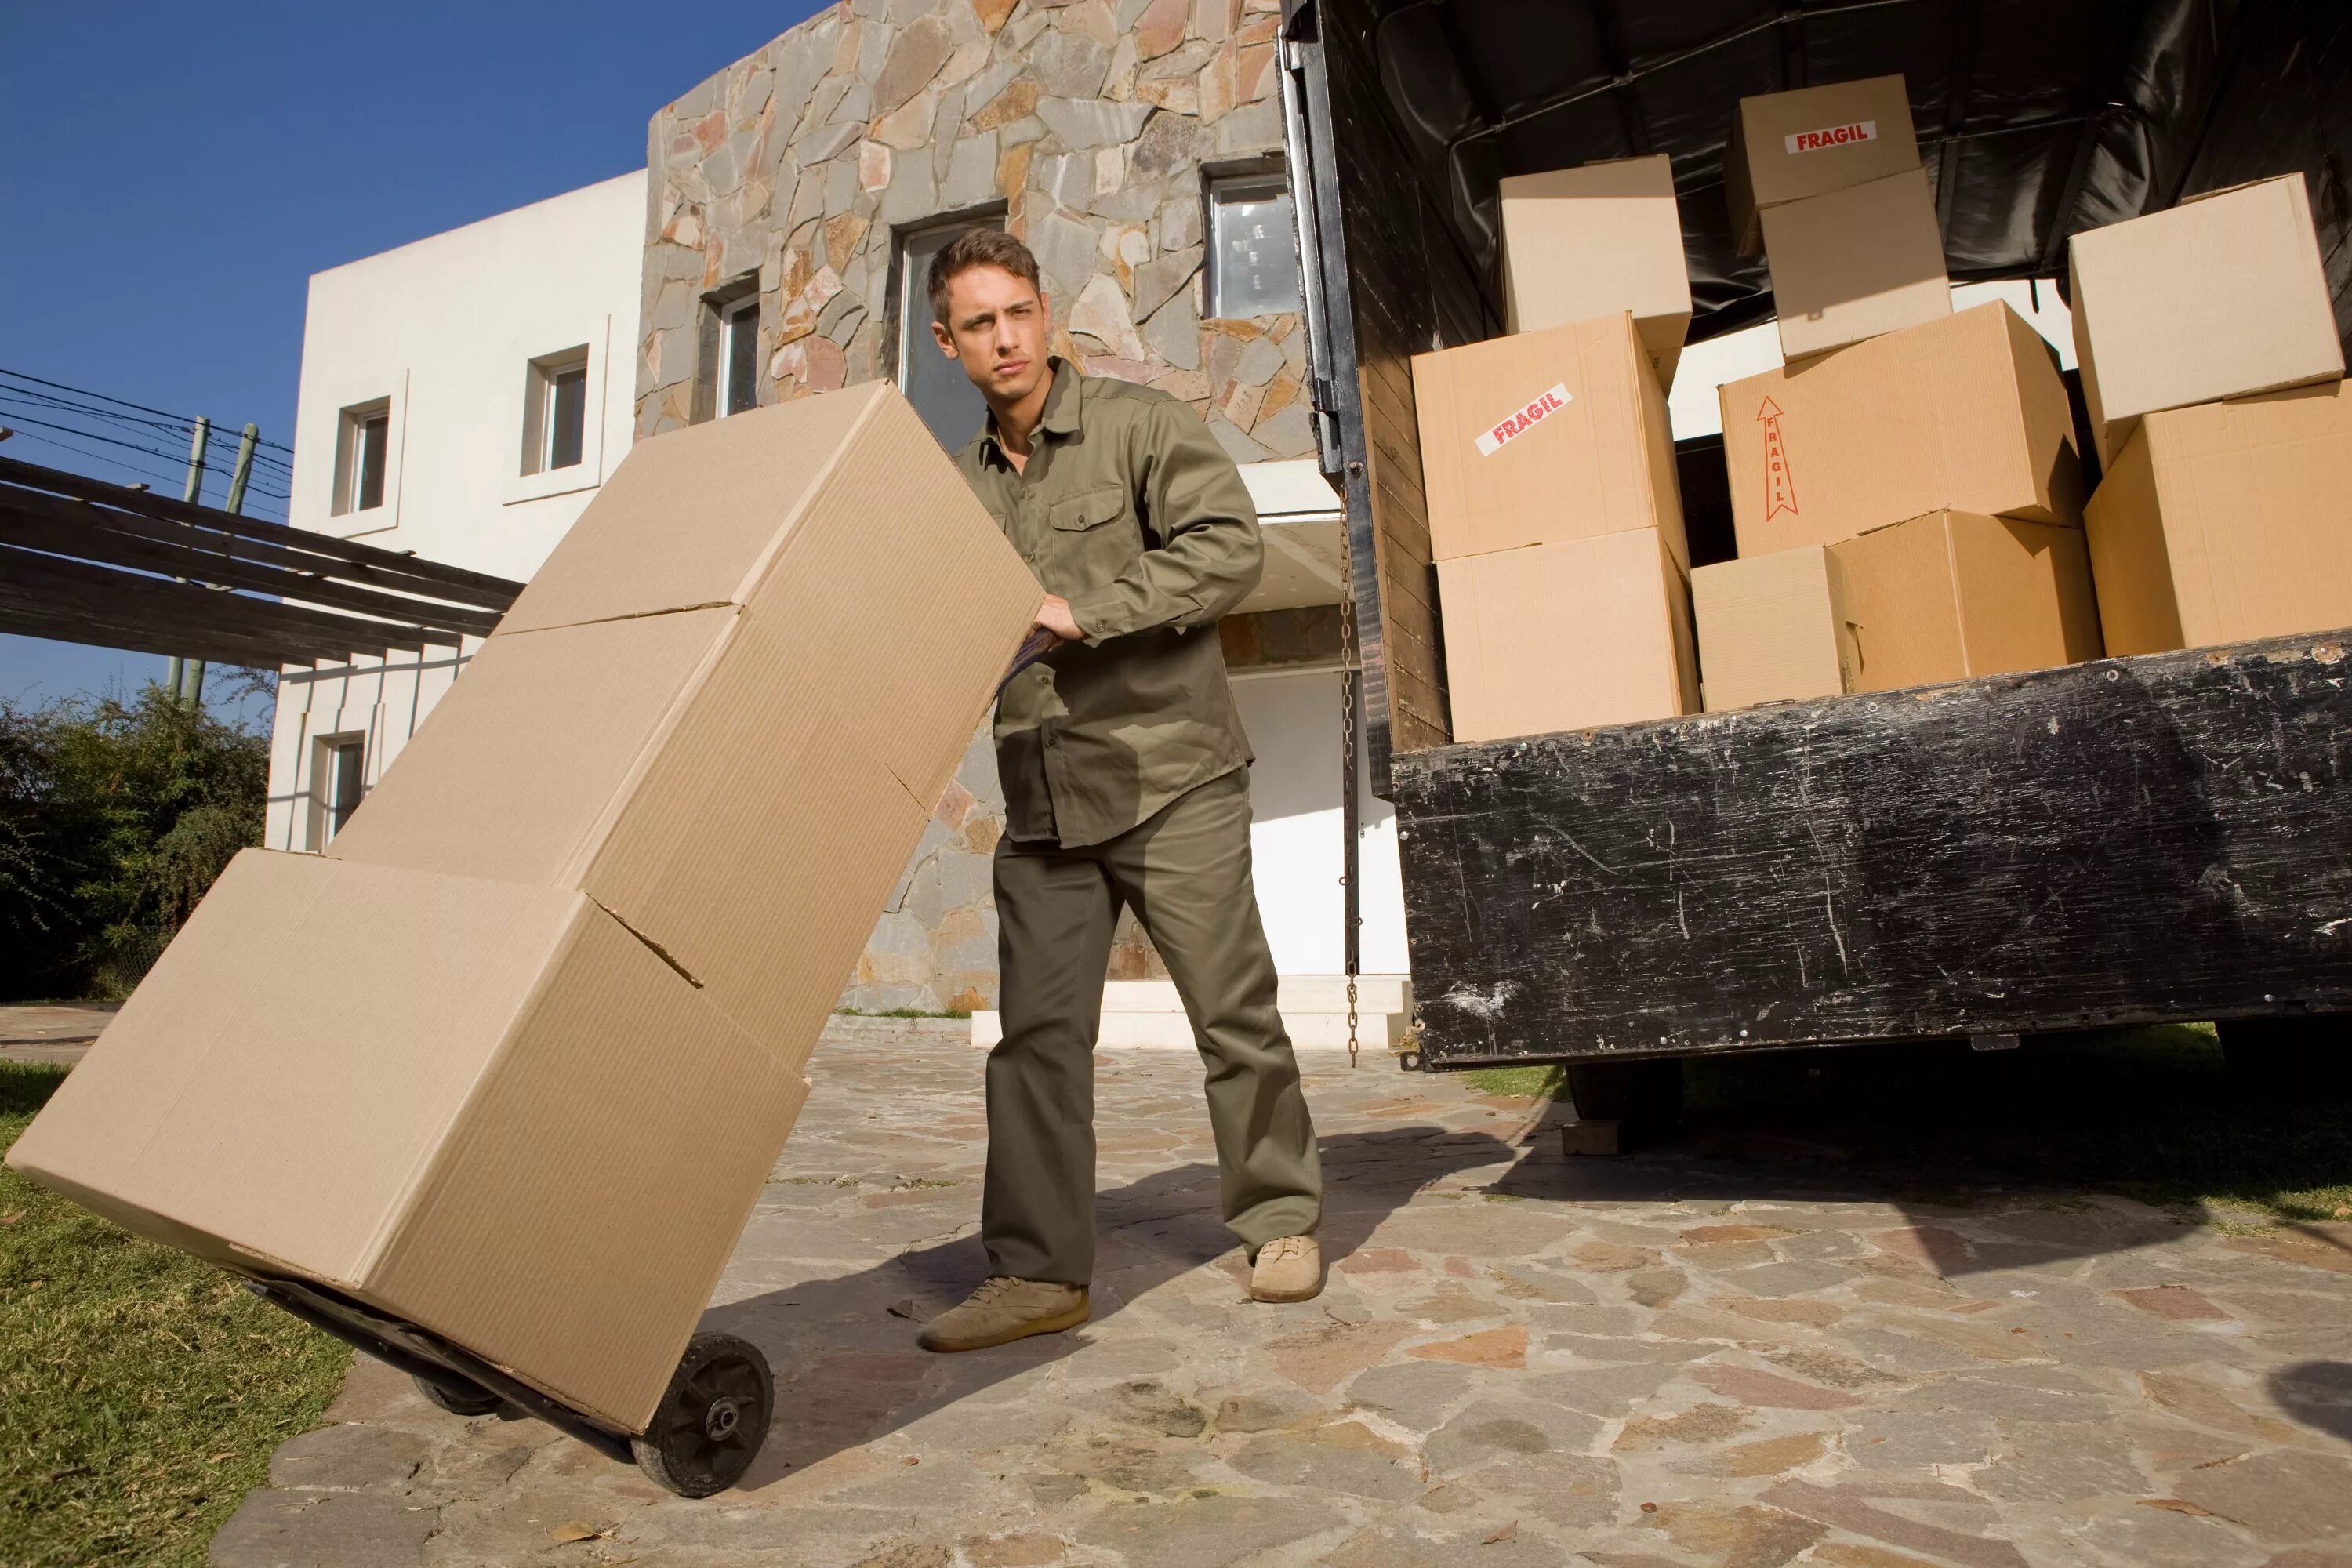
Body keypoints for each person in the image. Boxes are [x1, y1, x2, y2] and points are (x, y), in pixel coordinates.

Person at [913, 227, 1324, 1354]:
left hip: (1170, 774)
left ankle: (1280, 1219)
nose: (1006, 339)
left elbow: (1226, 550)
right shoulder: (953, 490)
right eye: (979, 324)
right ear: (948, 344)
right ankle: (1039, 1274)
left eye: (1019, 314)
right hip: (1044, 799)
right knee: (1036, 1043)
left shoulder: (1141, 427)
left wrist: (1081, 609)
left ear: (1046, 316)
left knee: (1231, 1010)